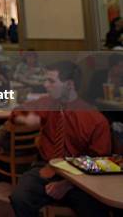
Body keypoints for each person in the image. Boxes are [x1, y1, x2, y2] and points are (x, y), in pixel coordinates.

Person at [9, 61, 112, 217]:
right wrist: (25, 118)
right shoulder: (48, 103)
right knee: (19, 198)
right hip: (46, 167)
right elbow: (17, 112)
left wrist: (67, 184)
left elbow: (100, 162)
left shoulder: (95, 119)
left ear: (69, 84)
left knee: (96, 210)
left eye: (51, 81)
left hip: (80, 176)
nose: (45, 85)